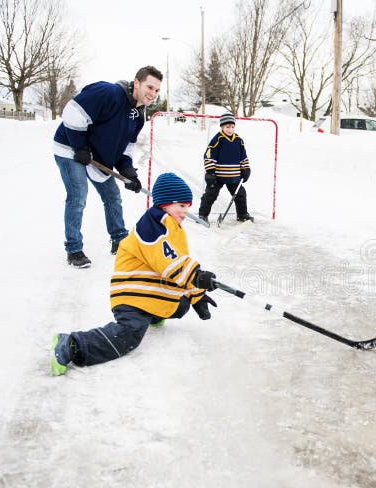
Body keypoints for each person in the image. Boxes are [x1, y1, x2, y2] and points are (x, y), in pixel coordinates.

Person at [51, 172, 219, 375]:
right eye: (181, 206)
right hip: (132, 294)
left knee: (181, 304)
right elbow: (170, 264)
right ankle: (73, 344)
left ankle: (153, 312)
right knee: (128, 335)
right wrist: (198, 276)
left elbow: (180, 262)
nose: (185, 212)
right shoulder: (153, 225)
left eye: (187, 207)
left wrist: (196, 295)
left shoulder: (174, 228)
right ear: (165, 204)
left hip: (149, 290)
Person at [53, 65, 163, 268]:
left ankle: (119, 240)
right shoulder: (109, 93)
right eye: (149, 87)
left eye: (157, 90)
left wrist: (128, 171)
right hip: (70, 147)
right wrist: (80, 147)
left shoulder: (139, 114)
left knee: (112, 195)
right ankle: (74, 249)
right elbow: (72, 112)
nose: (153, 94)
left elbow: (127, 147)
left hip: (95, 155)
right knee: (78, 195)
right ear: (136, 83)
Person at [198, 112, 253, 223]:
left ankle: (242, 214)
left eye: (232, 127)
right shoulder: (218, 139)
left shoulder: (238, 140)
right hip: (218, 176)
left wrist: (246, 168)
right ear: (222, 127)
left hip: (234, 176)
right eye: (227, 127)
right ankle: (202, 215)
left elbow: (243, 156)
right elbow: (209, 155)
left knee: (240, 195)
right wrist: (210, 172)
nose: (230, 129)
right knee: (210, 195)